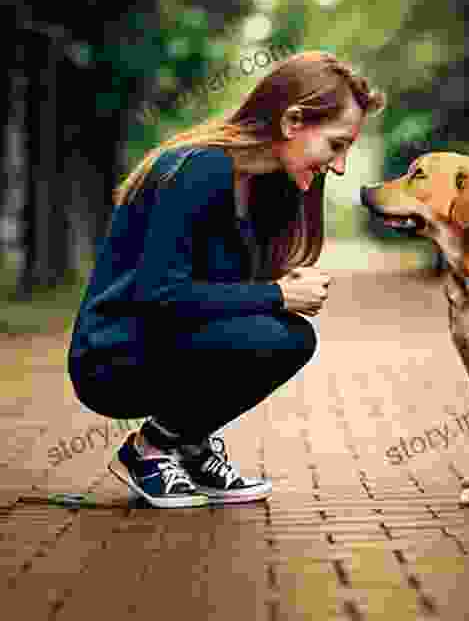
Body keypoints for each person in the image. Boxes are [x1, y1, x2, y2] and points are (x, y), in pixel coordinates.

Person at [66, 51, 385, 508]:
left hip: (168, 340)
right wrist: (276, 294)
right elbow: (159, 294)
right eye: (336, 145)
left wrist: (272, 288)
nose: (338, 166)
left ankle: (188, 444)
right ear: (292, 121)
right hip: (111, 355)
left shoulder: (267, 186)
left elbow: (217, 292)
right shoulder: (201, 168)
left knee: (291, 336)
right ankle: (152, 449)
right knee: (280, 335)